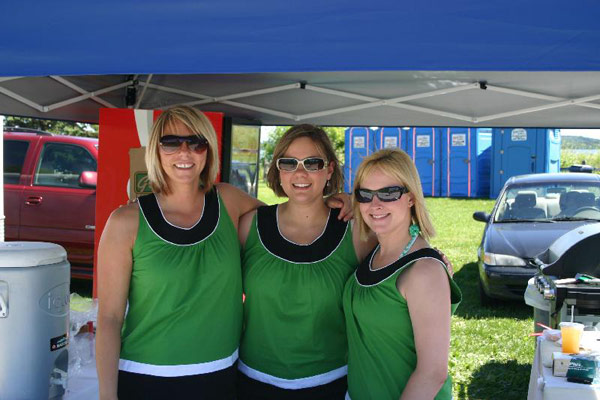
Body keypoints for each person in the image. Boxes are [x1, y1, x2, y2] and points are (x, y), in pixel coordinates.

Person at [96, 106, 265, 400]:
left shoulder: (229, 201)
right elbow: (110, 318)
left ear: (208, 150)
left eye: (196, 142)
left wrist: (333, 202)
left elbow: (290, 222)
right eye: (171, 142)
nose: (184, 152)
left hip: (221, 376)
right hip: (147, 379)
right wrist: (107, 396)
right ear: (155, 150)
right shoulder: (126, 222)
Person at [236, 125, 377, 399]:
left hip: (330, 383)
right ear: (278, 170)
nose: (300, 173)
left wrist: (433, 261)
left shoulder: (356, 232)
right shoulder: (249, 225)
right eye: (289, 163)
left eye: (313, 163)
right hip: (254, 381)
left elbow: (401, 263)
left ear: (329, 170)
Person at [343, 149, 462, 400]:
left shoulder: (425, 271)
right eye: (365, 194)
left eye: (388, 193)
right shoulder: (375, 251)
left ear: (410, 198)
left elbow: (433, 373)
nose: (375, 204)